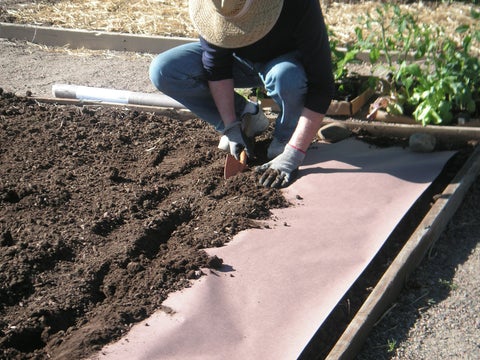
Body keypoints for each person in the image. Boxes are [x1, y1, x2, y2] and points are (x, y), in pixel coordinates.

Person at [149, 0, 334, 188]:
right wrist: (231, 126)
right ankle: (246, 116)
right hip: (239, 63)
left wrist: (293, 154)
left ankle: (286, 137)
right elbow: (216, 67)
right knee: (164, 71)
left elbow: (323, 85)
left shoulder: (297, 4)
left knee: (288, 78)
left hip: (284, 63)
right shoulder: (218, 8)